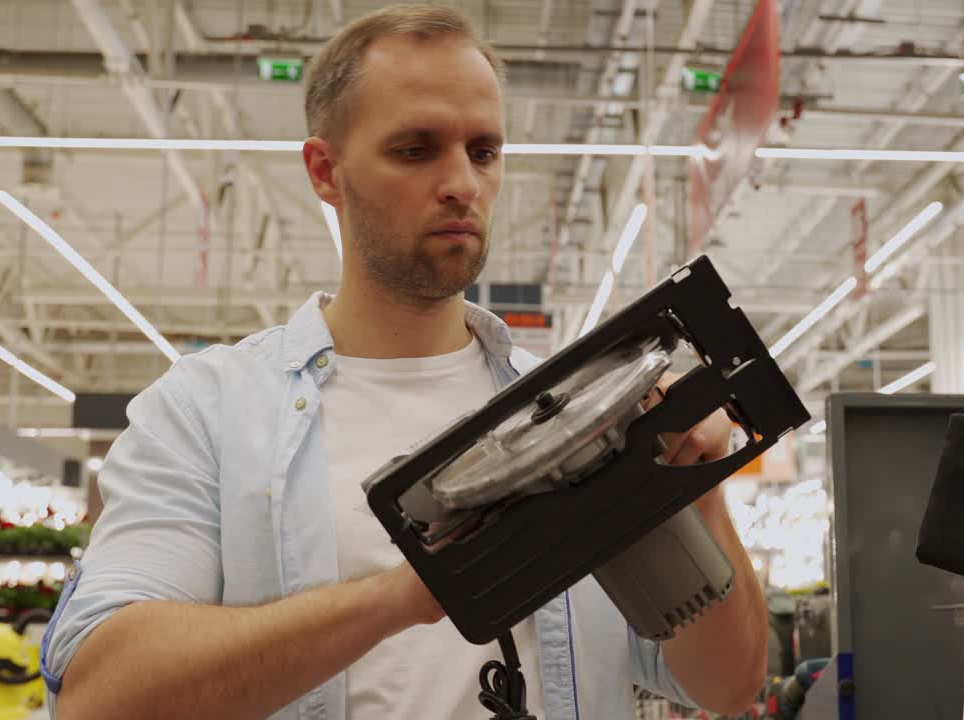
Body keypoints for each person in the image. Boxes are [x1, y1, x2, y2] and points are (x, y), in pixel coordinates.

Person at [41, 5, 769, 720]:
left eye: (483, 151)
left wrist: (693, 492)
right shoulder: (208, 412)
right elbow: (103, 693)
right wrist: (407, 595)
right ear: (325, 171)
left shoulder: (589, 411)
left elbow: (725, 689)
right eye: (416, 149)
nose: (463, 183)